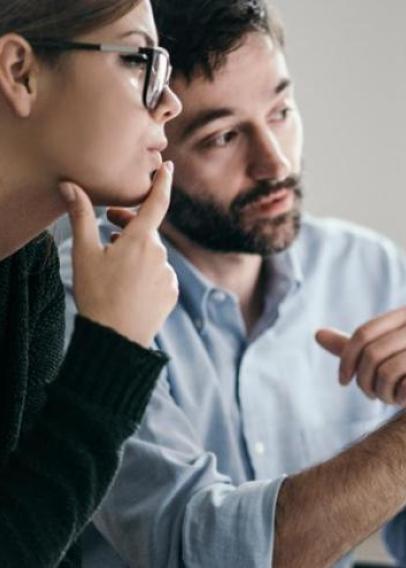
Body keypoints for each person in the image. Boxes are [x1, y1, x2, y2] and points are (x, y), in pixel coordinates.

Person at [59, 1, 406, 567]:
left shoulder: (368, 268)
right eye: (222, 137)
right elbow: (194, 548)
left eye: (282, 110)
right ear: (150, 145)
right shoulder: (87, 297)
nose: (274, 164)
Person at [0, 0, 181, 566]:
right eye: (139, 59)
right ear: (20, 73)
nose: (171, 102)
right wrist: (113, 351)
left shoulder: (27, 271)